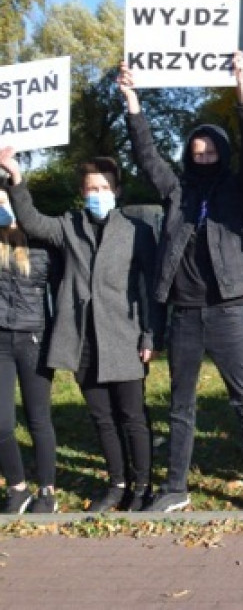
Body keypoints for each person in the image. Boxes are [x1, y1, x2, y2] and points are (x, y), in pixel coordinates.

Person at [118, 52, 243, 512]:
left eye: (211, 151)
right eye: (197, 151)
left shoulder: (240, 188)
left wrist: (242, 89)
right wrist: (132, 102)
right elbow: (147, 155)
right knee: (180, 406)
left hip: (228, 311)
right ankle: (175, 489)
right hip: (185, 313)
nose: (204, 156)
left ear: (222, 153)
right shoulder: (177, 191)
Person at [0, 152, 157, 513]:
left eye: (104, 187)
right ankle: (117, 483)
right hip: (85, 339)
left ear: (116, 190)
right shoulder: (70, 226)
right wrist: (17, 178)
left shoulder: (137, 231)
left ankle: (144, 485)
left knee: (132, 416)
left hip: (125, 337)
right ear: (82, 193)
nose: (97, 194)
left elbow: (150, 290)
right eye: (91, 188)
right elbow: (33, 222)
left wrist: (150, 336)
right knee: (102, 418)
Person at [0, 187, 59, 514]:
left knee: (39, 419)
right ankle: (17, 487)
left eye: (3, 202)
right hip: (0, 343)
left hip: (34, 339)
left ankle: (47, 491)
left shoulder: (40, 244)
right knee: (2, 424)